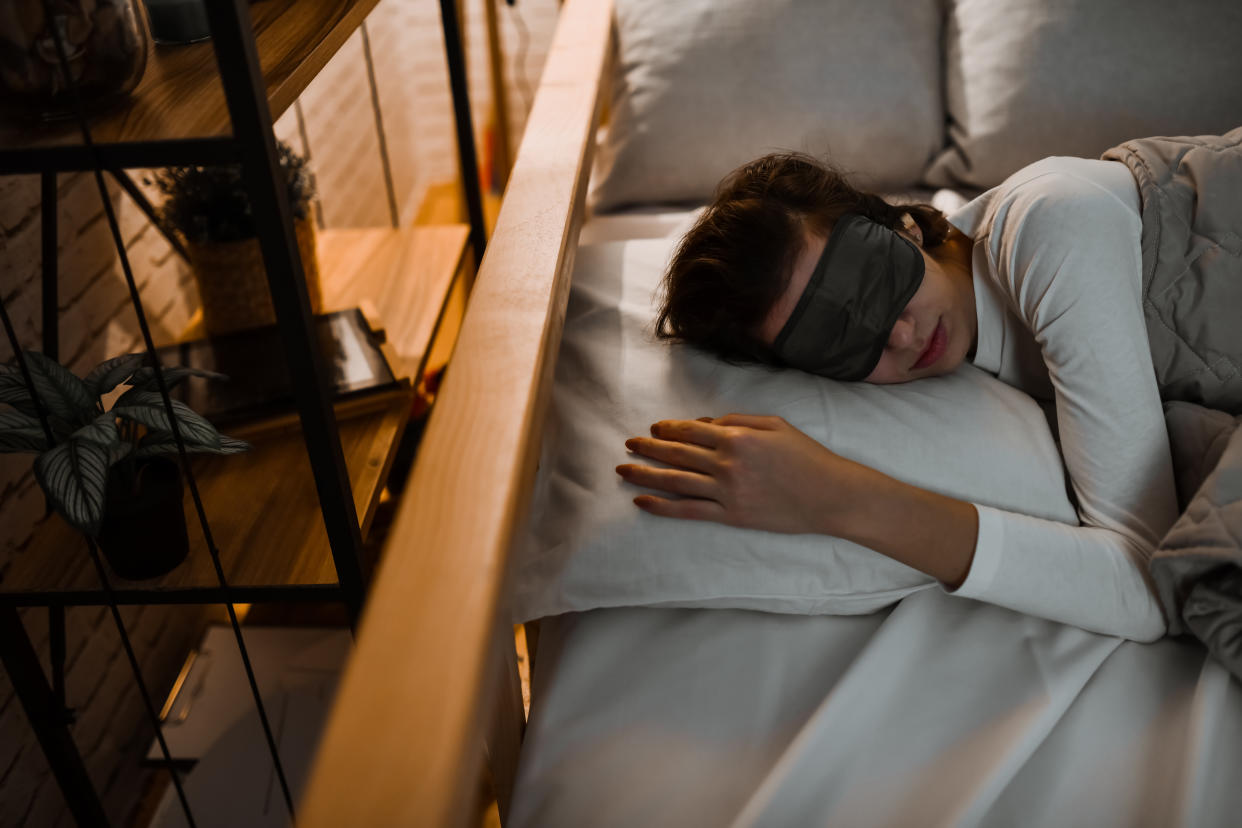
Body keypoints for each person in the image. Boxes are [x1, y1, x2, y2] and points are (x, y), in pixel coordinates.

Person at [612, 149, 1236, 641]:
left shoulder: (1049, 227)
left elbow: (1147, 584)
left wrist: (834, 496)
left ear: (903, 225)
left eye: (878, 281)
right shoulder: (982, 354)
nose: (903, 335)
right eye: (841, 340)